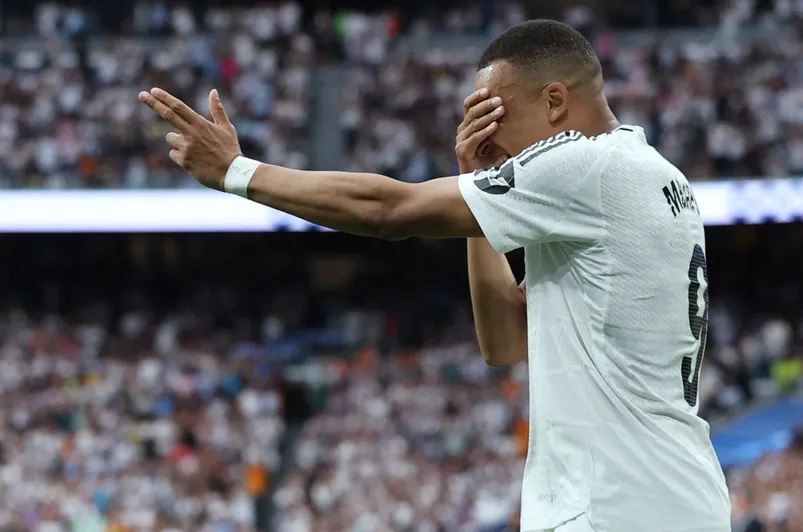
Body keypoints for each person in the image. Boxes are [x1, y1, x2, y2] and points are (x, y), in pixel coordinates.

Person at [138, 19, 730, 532]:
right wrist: (478, 187)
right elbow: (503, 343)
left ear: (555, 101)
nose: (486, 133)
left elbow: (389, 210)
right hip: (673, 494)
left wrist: (238, 171)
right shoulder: (656, 177)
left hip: (614, 504)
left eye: (494, 113)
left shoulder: (584, 167)